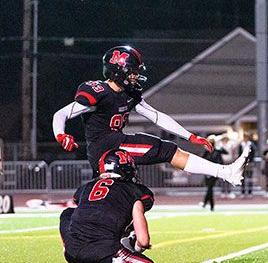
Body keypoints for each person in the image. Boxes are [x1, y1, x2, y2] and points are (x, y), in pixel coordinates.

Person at [52, 45, 250, 186]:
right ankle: (225, 172)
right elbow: (60, 114)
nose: (135, 76)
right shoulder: (99, 92)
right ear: (119, 71)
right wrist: (61, 135)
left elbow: (156, 116)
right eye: (132, 72)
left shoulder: (130, 93)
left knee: (121, 197)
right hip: (105, 146)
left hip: (114, 149)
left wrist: (189, 136)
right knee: (166, 150)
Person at [60, 149, 170, 263]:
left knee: (68, 214)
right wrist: (135, 249)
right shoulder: (135, 191)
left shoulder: (85, 188)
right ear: (127, 169)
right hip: (105, 252)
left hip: (72, 253)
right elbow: (143, 240)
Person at [202, 135, 229, 210]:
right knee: (209, 188)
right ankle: (206, 204)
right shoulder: (207, 152)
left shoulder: (217, 150)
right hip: (208, 172)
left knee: (210, 188)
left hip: (215, 171)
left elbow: (226, 152)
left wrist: (219, 145)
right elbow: (203, 160)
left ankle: (210, 205)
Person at [238, 133, 256, 198]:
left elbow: (253, 153)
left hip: (250, 163)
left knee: (249, 178)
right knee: (242, 178)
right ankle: (242, 192)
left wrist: (250, 160)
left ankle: (250, 192)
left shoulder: (251, 144)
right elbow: (239, 153)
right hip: (242, 163)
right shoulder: (241, 144)